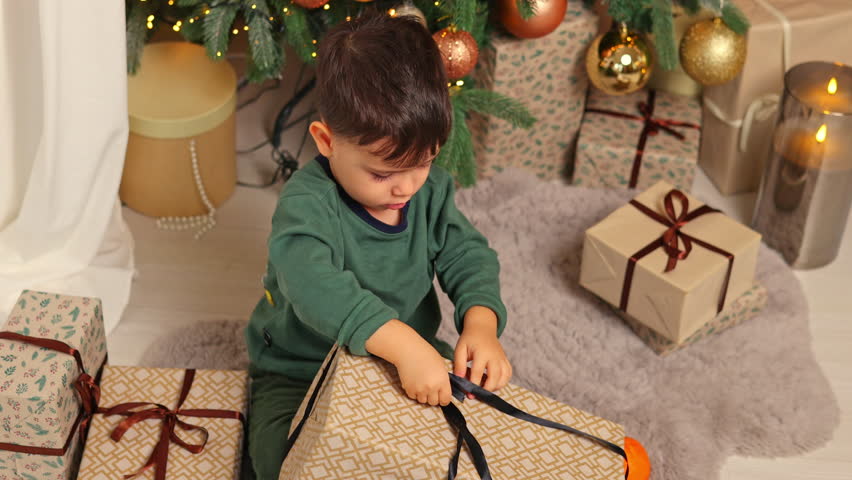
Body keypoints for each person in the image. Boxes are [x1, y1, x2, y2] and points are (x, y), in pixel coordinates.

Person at [244, 11, 512, 479]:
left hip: (409, 358)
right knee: (283, 464)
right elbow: (315, 286)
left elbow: (467, 254)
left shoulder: (429, 192)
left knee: (459, 452)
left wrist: (481, 325)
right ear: (327, 142)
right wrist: (403, 344)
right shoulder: (307, 205)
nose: (405, 187)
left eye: (424, 162)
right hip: (301, 369)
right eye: (383, 173)